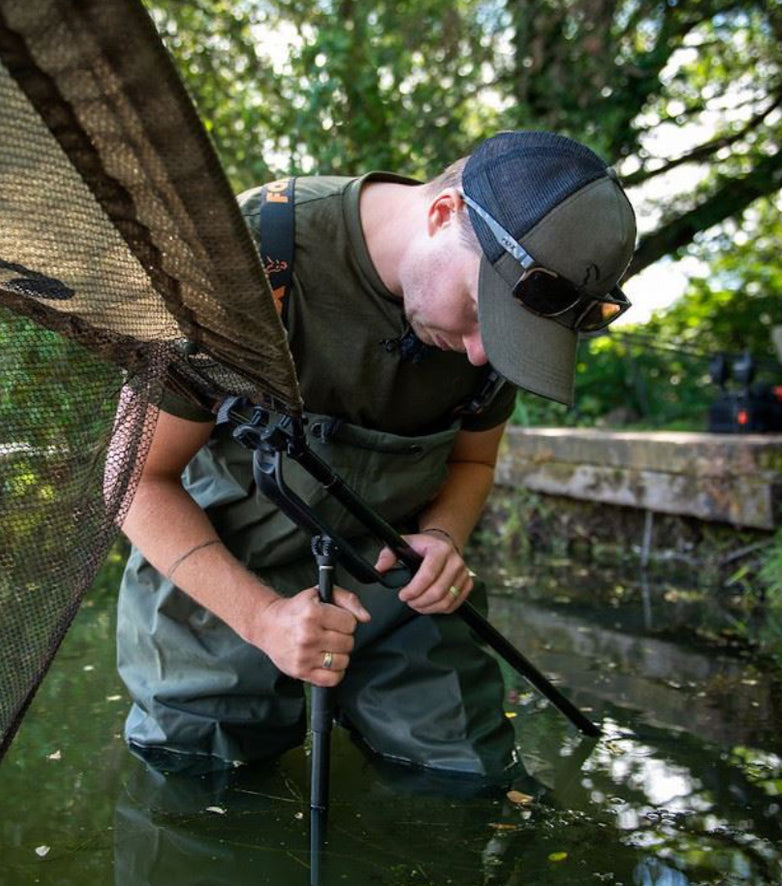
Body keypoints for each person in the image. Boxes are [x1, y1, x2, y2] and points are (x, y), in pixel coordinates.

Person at [115, 130, 636, 781]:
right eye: (479, 311)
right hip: (218, 583)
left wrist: (443, 537)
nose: (481, 353)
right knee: (200, 789)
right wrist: (264, 618)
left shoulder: (494, 335)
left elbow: (472, 464)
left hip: (392, 589)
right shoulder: (247, 257)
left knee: (468, 776)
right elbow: (133, 478)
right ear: (445, 215)